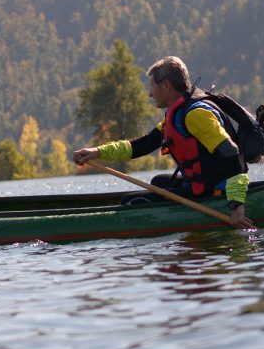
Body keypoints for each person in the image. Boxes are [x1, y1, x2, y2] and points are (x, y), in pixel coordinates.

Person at [73, 56, 254, 229]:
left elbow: (231, 153)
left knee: (131, 202)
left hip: (217, 192)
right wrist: (98, 152)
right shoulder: (178, 114)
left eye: (152, 87)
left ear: (166, 86)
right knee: (158, 182)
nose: (150, 94)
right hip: (204, 184)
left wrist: (237, 207)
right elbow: (144, 144)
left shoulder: (195, 114)